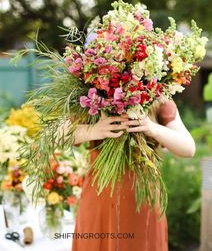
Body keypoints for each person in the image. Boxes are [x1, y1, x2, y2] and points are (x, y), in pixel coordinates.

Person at [71, 99, 196, 251]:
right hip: (99, 198)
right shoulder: (90, 94)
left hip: (141, 200)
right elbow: (55, 135)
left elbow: (188, 148)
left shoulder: (158, 97)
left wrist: (152, 128)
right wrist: (92, 130)